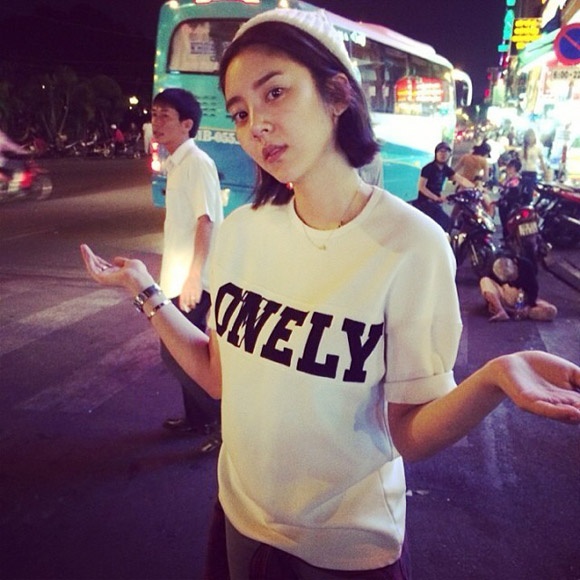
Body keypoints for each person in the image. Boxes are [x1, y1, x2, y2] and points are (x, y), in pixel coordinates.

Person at [80, 9, 580, 579]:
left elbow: (409, 433)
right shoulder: (241, 231)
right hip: (239, 520)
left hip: (344, 550)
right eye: (240, 113)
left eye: (275, 93)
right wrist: (144, 289)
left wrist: (493, 379)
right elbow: (220, 376)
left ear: (338, 94)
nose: (256, 125)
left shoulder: (412, 245)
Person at [151, 88, 223, 447]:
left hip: (193, 280)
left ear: (187, 124)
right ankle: (198, 420)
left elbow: (206, 221)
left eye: (165, 115)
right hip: (177, 278)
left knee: (180, 353)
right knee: (180, 352)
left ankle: (220, 424)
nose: (156, 122)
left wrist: (195, 276)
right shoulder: (176, 164)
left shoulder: (197, 163)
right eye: (154, 114)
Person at [414, 141, 474, 231]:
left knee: (446, 223)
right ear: (436, 153)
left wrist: (474, 187)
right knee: (446, 223)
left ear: (449, 155)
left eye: (446, 152)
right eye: (441, 151)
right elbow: (421, 187)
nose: (443, 154)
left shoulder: (445, 168)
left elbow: (460, 179)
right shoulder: (428, 168)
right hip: (425, 202)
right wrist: (435, 198)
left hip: (435, 202)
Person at [480, 254, 557, 322]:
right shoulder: (495, 266)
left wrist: (528, 306)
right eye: (508, 279)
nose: (511, 280)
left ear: (515, 265)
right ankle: (501, 310)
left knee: (551, 311)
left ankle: (513, 311)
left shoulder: (526, 265)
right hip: (503, 294)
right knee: (484, 280)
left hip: (520, 298)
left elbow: (533, 290)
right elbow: (489, 287)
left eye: (512, 277)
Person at [519, 128, 548, 203]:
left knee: (530, 191)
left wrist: (545, 172)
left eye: (531, 136)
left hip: (532, 172)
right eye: (528, 136)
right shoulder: (522, 149)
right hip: (523, 172)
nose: (530, 138)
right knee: (521, 191)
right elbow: (519, 162)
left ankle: (528, 204)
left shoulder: (537, 149)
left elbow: (542, 161)